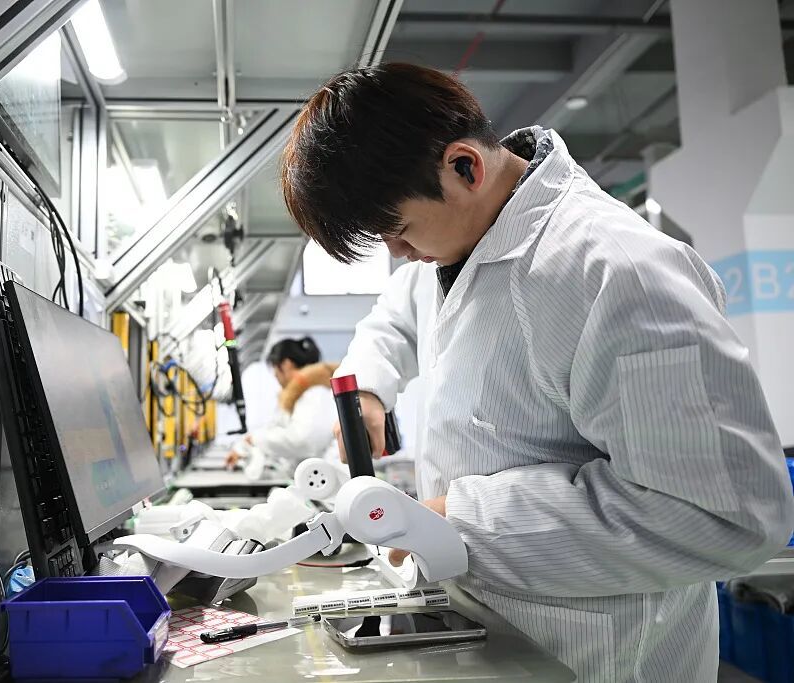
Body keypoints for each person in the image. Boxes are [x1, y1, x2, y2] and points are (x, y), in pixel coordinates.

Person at [279, 62, 794, 681]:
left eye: (399, 231)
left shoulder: (616, 273)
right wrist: (366, 385)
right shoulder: (454, 242)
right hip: (494, 639)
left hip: (598, 657)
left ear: (464, 166)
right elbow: (394, 321)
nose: (398, 254)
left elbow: (728, 516)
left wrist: (461, 522)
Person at [224, 337, 338, 473]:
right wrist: (243, 447)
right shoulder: (297, 396)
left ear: (286, 365)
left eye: (274, 368)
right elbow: (276, 427)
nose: (275, 375)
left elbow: (303, 441)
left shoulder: (316, 393)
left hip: (326, 476)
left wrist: (254, 440)